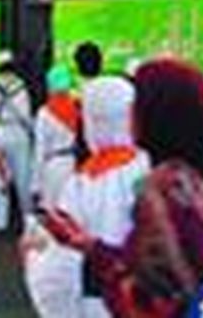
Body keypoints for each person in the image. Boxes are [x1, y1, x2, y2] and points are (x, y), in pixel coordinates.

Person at [44, 59, 203, 318]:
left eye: (137, 106)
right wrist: (91, 247)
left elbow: (147, 294)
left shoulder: (157, 191)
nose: (130, 115)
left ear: (156, 116)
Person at [25, 76, 148, 318]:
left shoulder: (79, 184)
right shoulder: (152, 169)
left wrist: (33, 257)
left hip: (97, 304)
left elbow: (61, 267)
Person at [0, 50, 33, 232]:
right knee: (23, 178)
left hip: (1, 132)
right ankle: (27, 218)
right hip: (18, 133)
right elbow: (25, 114)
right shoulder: (20, 86)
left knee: (1, 178)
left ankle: (0, 222)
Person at [32, 64, 81, 211]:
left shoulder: (44, 112)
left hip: (52, 168)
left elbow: (40, 149)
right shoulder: (76, 108)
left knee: (53, 213)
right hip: (73, 164)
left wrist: (36, 184)